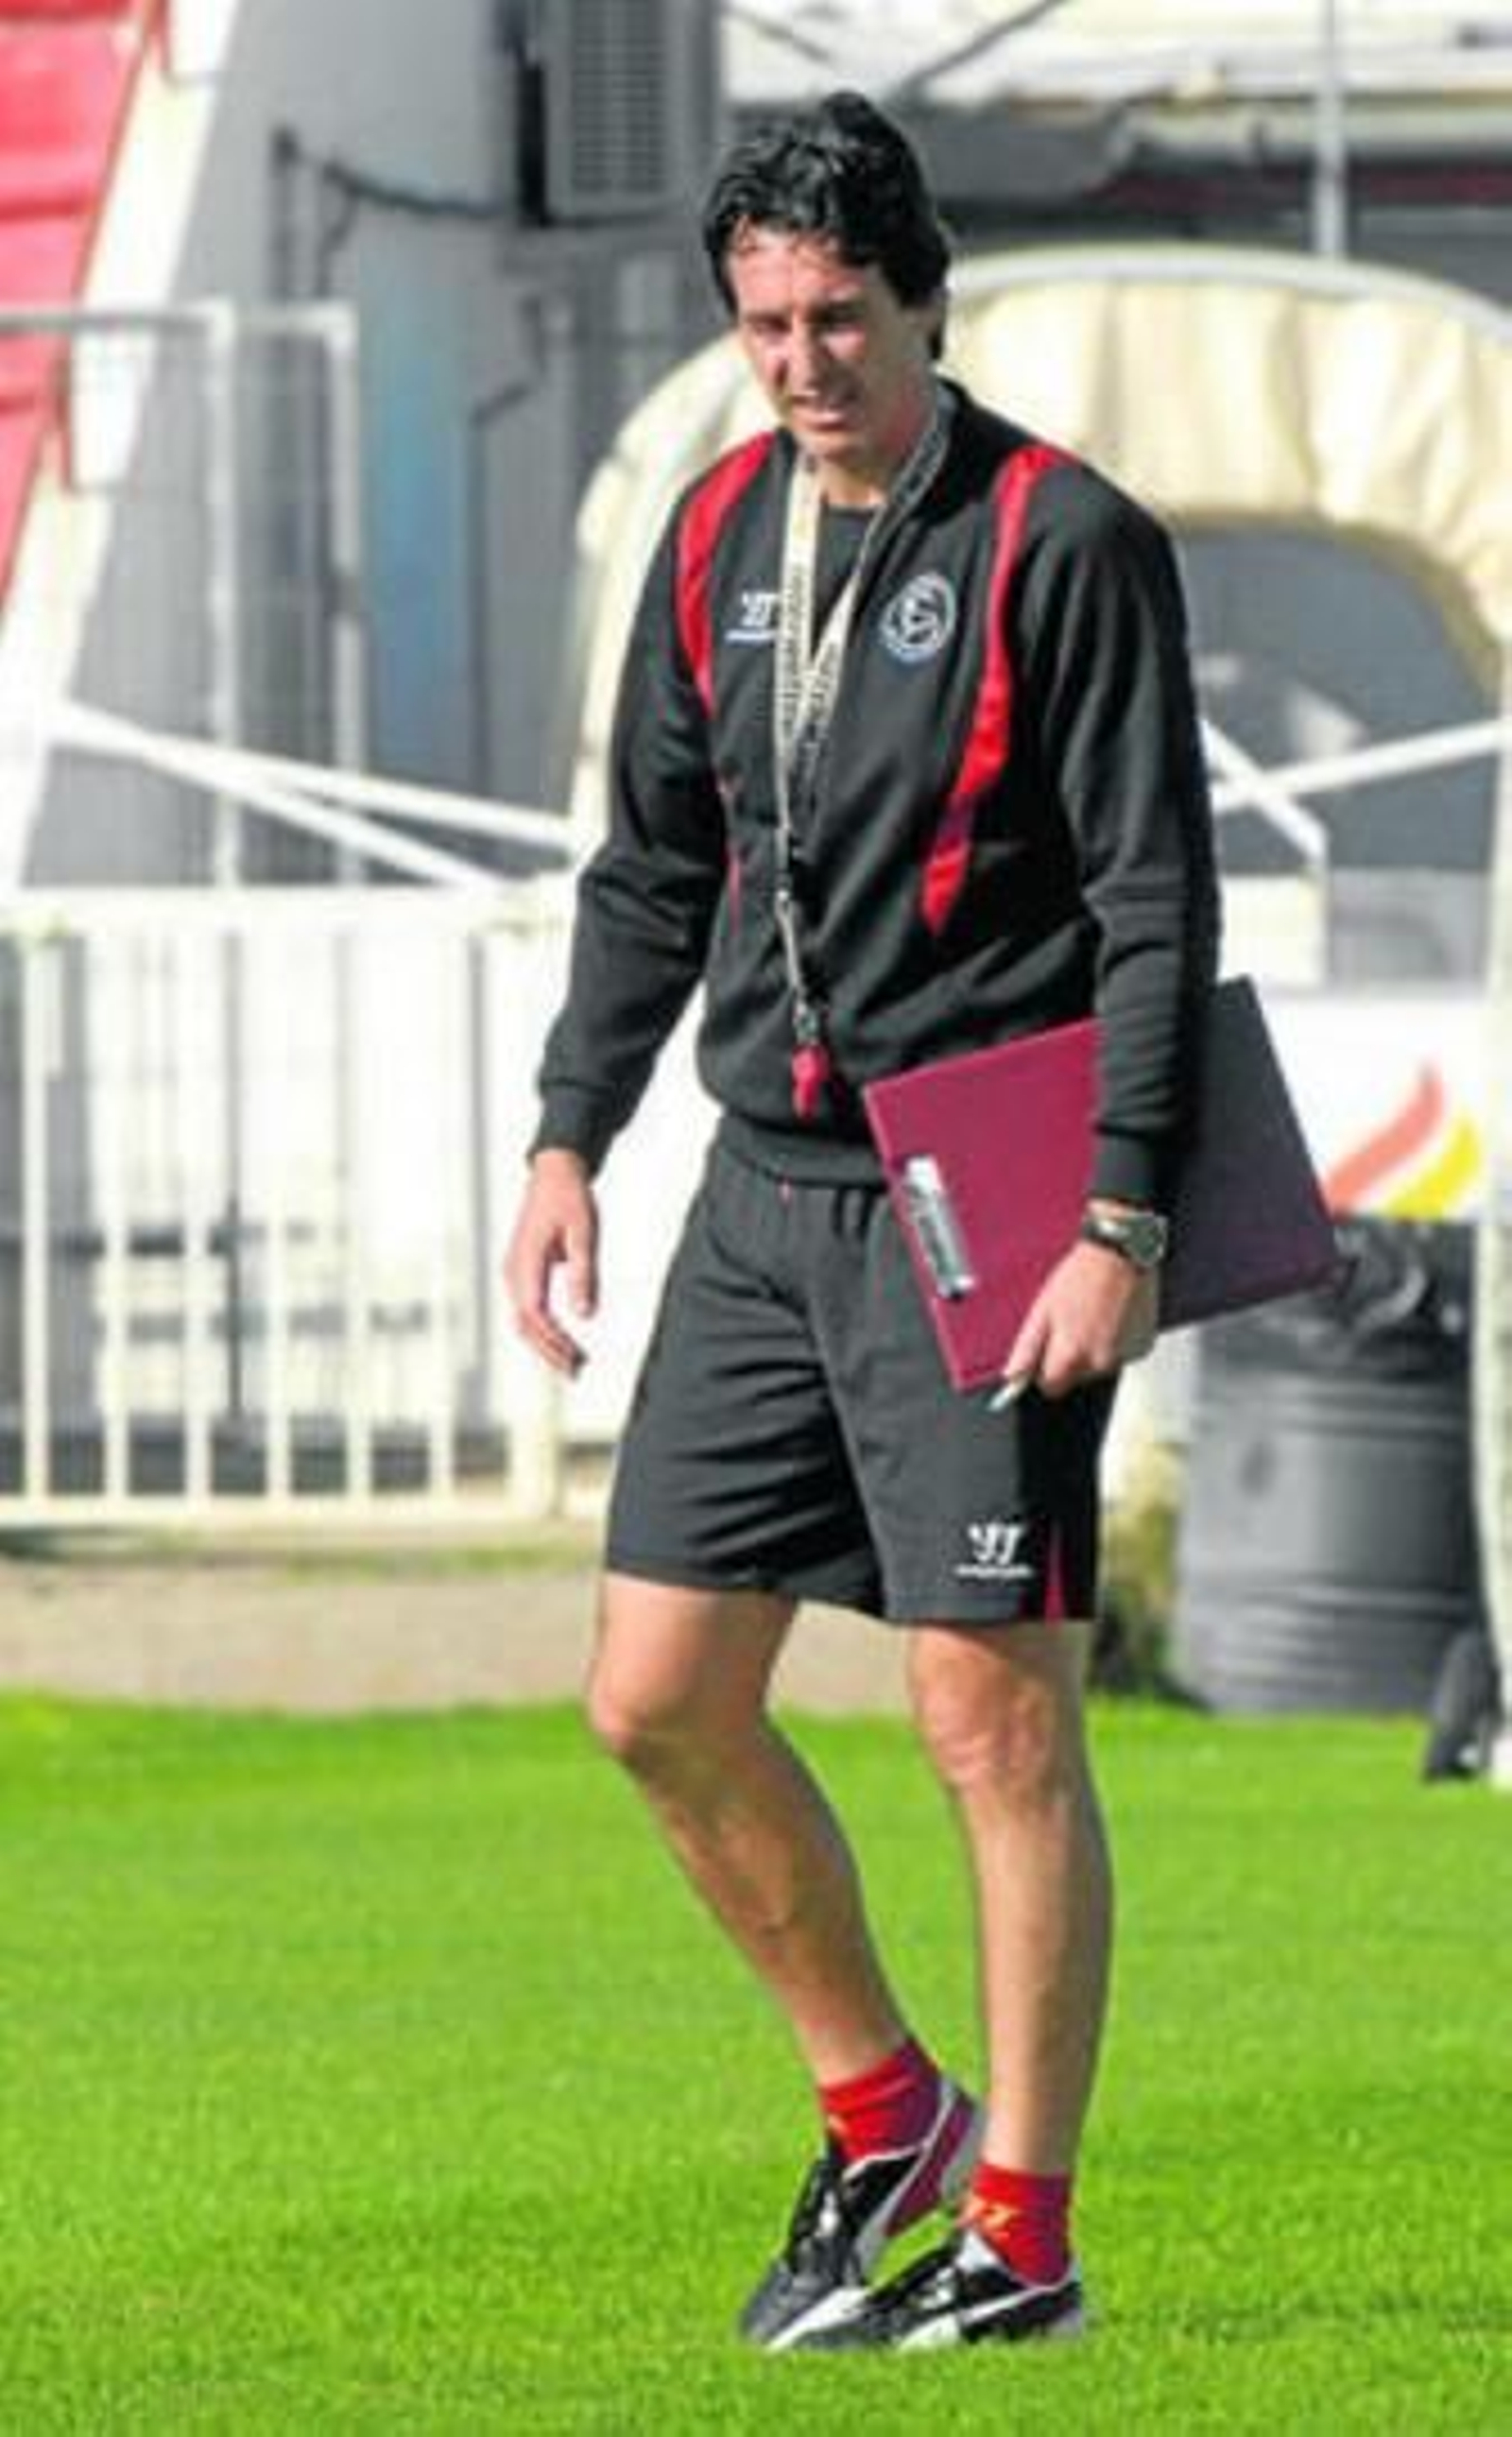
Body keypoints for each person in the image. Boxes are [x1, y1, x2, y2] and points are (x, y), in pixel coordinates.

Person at [505, 89, 1220, 2353]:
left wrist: (1119, 1215)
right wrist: (564, 1138)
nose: (800, 362)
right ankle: (883, 2110)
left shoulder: (1058, 538)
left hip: (992, 1190)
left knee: (985, 1724)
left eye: (836, 317)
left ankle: (1023, 2235)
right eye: (763, 325)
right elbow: (649, 869)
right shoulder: (717, 530)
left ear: (922, 300)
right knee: (652, 1700)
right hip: (762, 1191)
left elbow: (1151, 904)